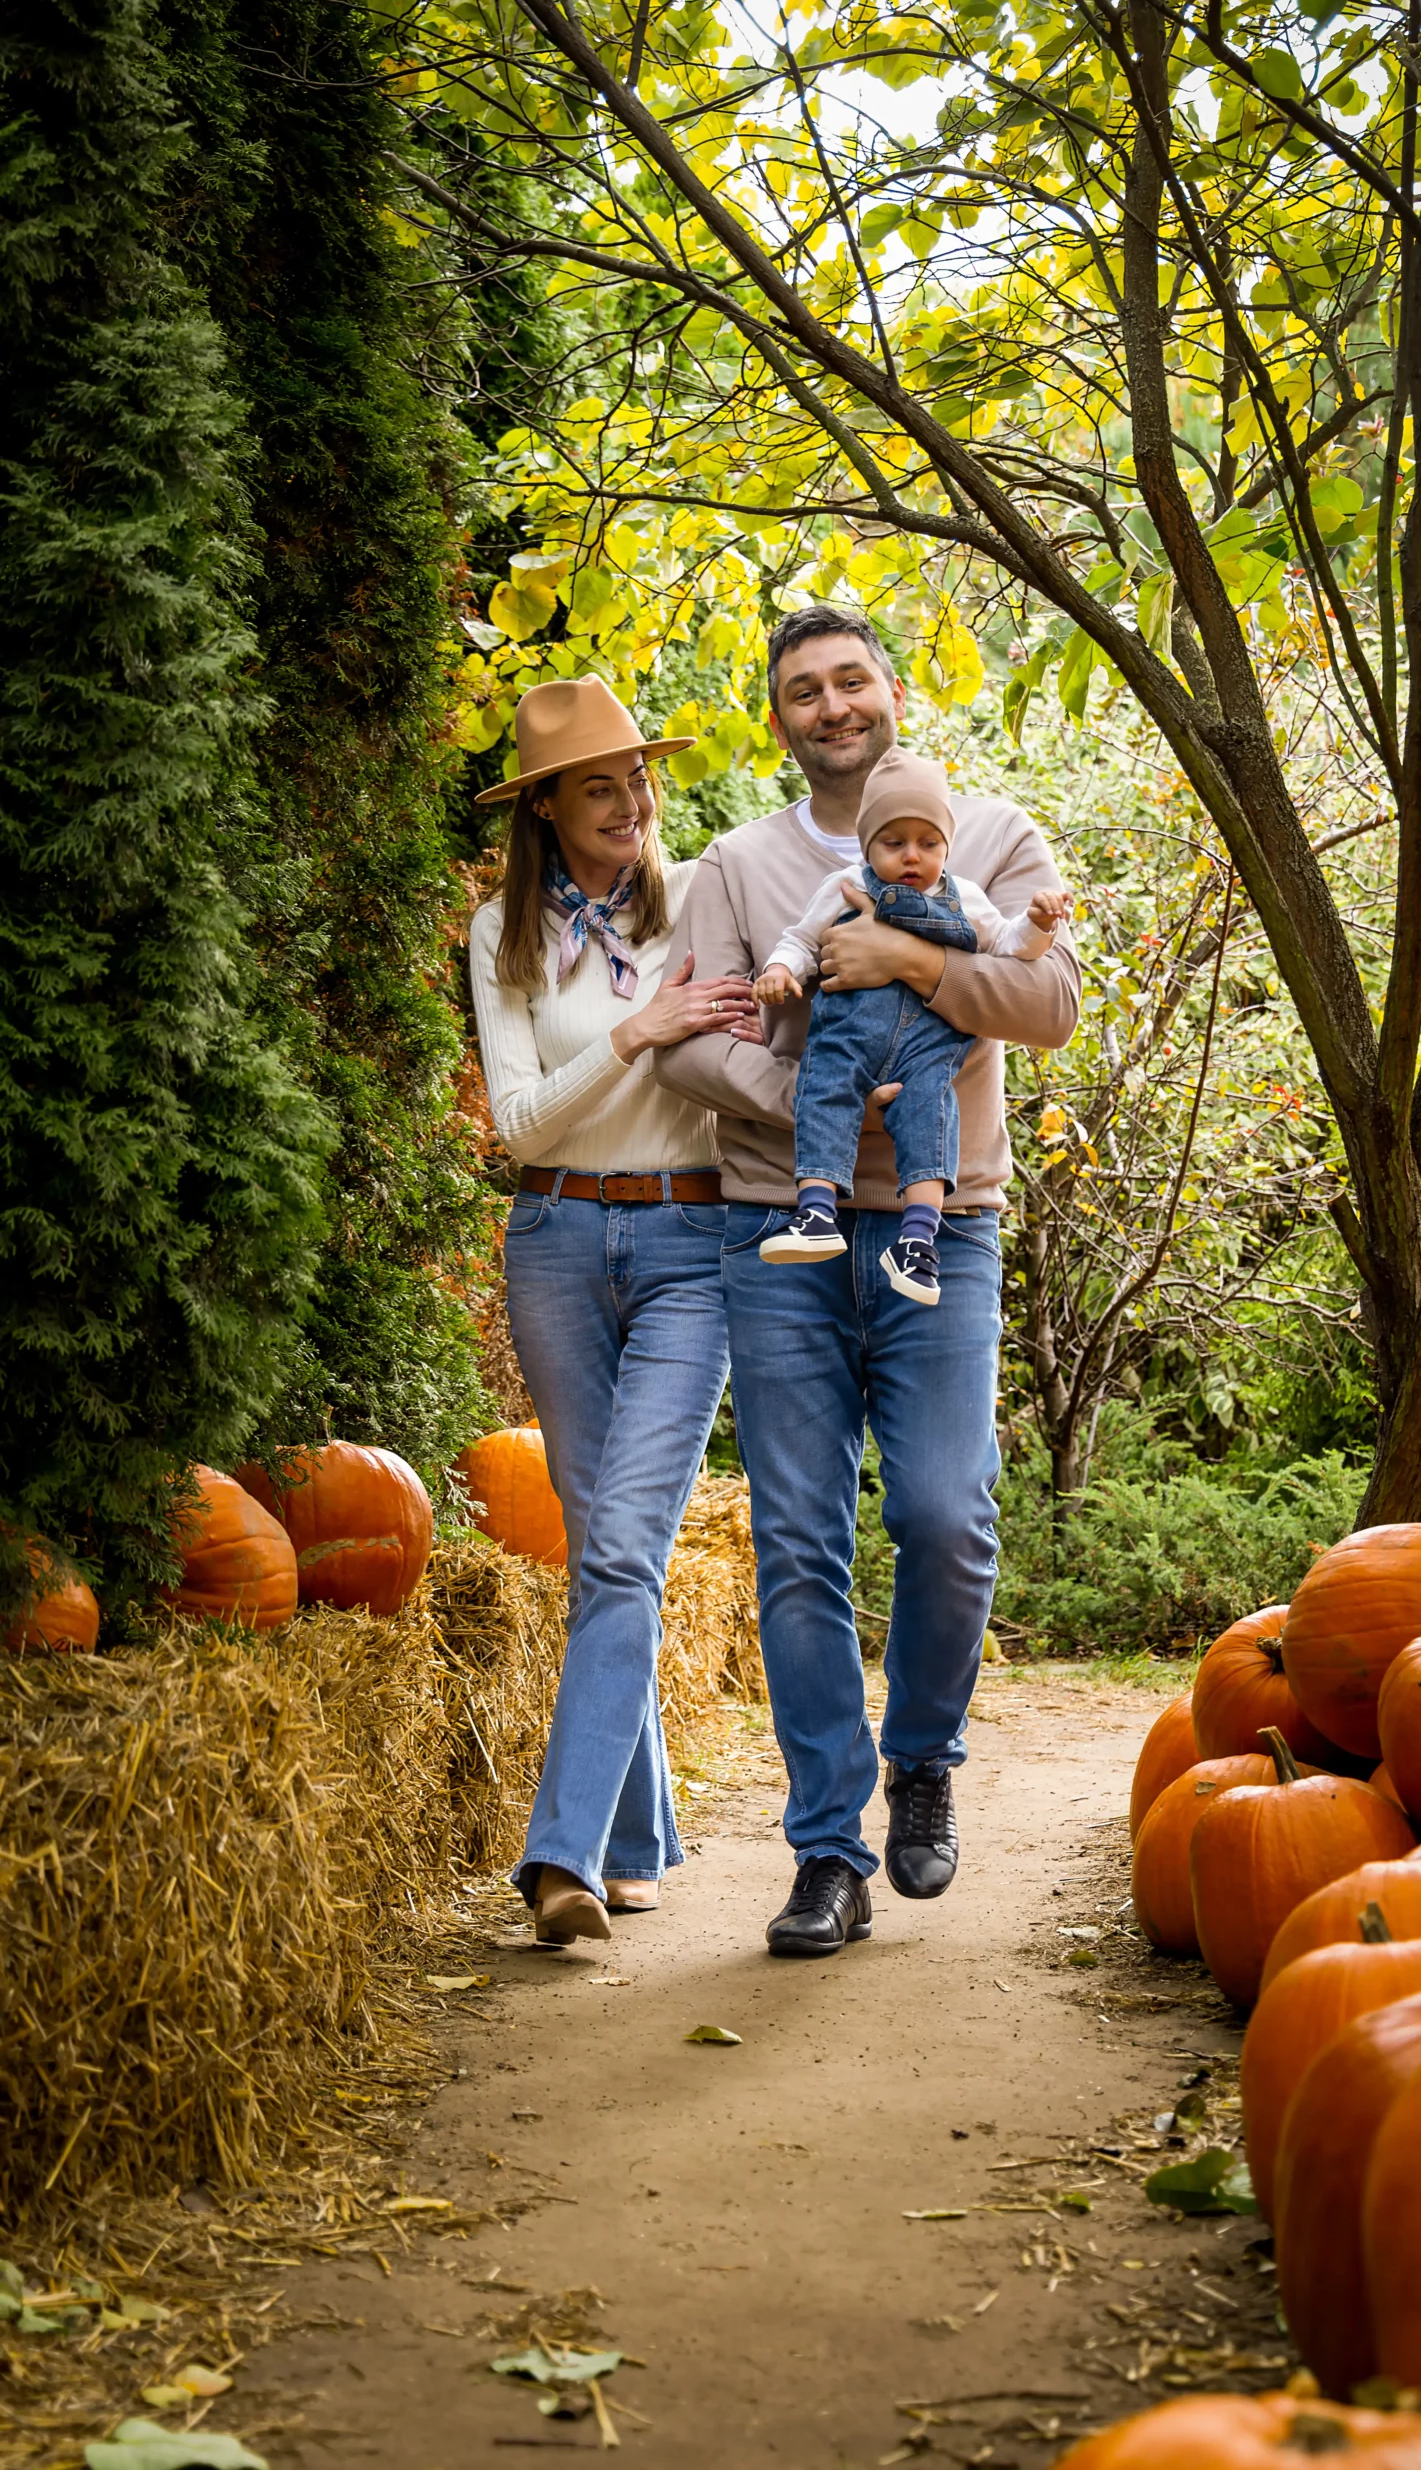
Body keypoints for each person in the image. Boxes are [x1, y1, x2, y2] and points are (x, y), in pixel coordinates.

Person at [656, 608, 1081, 1957]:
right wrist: (818, 1108)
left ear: (892, 690)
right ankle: (826, 1855)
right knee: (797, 1541)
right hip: (775, 1230)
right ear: (778, 717)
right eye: (803, 690)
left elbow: (1052, 1004)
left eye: (851, 679)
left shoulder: (993, 836)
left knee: (947, 1514)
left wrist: (912, 963)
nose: (832, 704)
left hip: (943, 1227)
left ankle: (924, 1759)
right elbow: (690, 1042)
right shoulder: (737, 867)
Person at [467, 676, 756, 1948]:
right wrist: (638, 1032)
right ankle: (636, 1840)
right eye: (599, 786)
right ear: (544, 807)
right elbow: (521, 1124)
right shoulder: (503, 934)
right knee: (605, 1551)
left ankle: (560, 1855)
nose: (631, 802)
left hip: (695, 1242)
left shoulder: (702, 900)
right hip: (557, 1243)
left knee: (628, 1544)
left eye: (638, 777)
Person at [754, 746, 1071, 1303]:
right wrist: (781, 969)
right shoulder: (845, 886)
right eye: (893, 843)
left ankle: (918, 1239)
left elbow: (1009, 945)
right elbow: (802, 939)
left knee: (932, 1115)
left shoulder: (964, 896)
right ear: (867, 846)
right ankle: (817, 1211)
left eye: (928, 843)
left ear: (947, 846)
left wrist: (1038, 923)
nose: (911, 856)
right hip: (848, 1037)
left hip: (927, 1048)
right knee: (823, 1089)